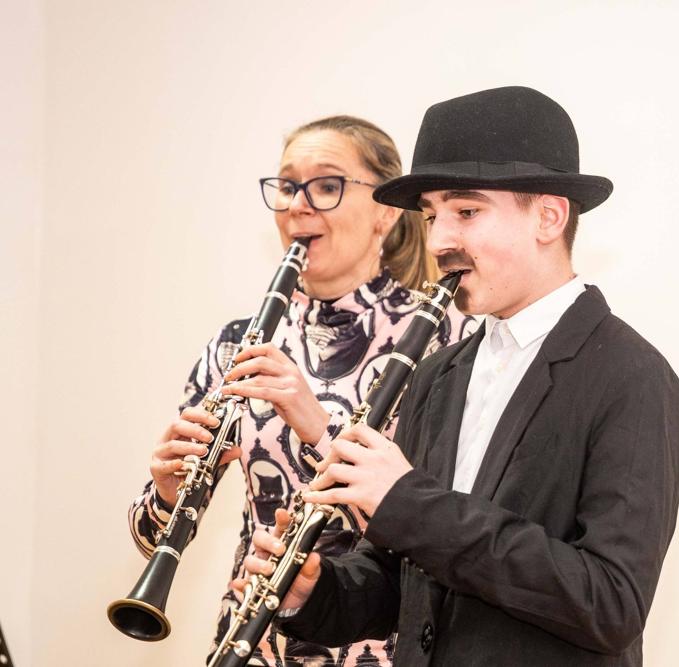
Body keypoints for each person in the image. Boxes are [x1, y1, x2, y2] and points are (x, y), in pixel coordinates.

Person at [243, 86, 679, 666]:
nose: (438, 242)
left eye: (466, 212)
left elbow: (610, 604)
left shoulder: (631, 375)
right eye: (432, 216)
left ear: (548, 217)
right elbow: (404, 586)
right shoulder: (437, 373)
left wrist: (411, 504)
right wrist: (316, 592)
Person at [127, 115, 475, 666]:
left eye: (327, 186)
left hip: (378, 647)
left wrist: (319, 428)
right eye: (288, 186)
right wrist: (168, 493)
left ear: (386, 211)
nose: (298, 206)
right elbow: (153, 538)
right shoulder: (238, 341)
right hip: (253, 641)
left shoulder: (447, 338)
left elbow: (441, 529)